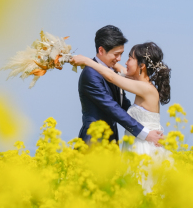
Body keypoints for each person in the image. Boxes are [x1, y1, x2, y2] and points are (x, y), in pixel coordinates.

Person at [71, 40, 173, 192]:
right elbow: (118, 69)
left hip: (145, 146)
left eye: (130, 58)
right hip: (137, 142)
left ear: (142, 65)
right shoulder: (141, 82)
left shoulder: (145, 88)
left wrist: (87, 61)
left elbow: (112, 77)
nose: (125, 61)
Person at [72, 26, 163, 148]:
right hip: (94, 142)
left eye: (122, 54)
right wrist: (145, 133)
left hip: (112, 141)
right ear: (101, 50)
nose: (119, 59)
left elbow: (124, 105)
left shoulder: (112, 72)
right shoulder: (91, 74)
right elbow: (113, 108)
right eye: (116, 54)